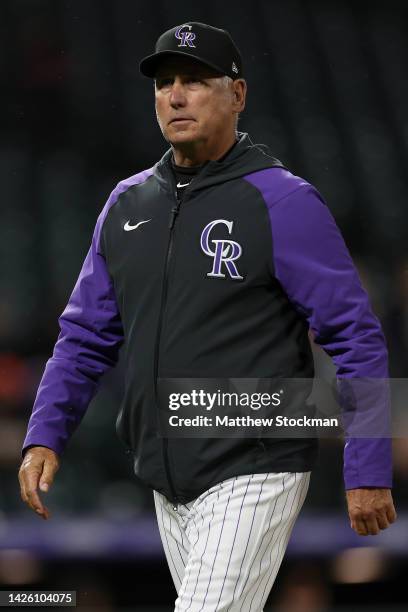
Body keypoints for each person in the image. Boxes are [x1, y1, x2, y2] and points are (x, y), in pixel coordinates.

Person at [19, 22, 396, 611]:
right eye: (164, 82)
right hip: (165, 474)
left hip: (257, 461)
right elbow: (84, 336)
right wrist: (45, 433)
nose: (175, 95)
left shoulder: (283, 201)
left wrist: (367, 466)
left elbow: (356, 338)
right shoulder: (127, 203)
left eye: (194, 80)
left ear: (237, 95)